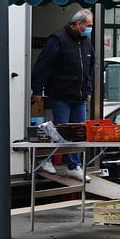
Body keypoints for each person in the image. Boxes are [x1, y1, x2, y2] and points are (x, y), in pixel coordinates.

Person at [30, 9, 96, 181]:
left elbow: (89, 69)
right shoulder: (58, 39)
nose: (91, 28)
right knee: (60, 130)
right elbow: (43, 65)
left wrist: (88, 90)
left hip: (79, 97)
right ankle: (47, 159)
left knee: (77, 132)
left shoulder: (86, 42)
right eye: (89, 25)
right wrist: (37, 89)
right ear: (79, 24)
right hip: (61, 95)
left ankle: (74, 166)